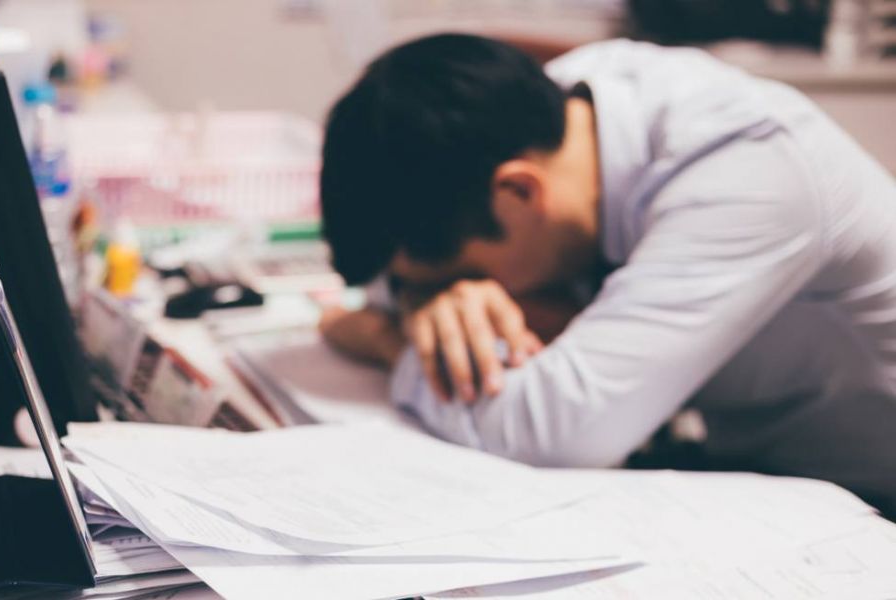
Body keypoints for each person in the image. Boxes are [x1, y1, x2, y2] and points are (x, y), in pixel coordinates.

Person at [317, 33, 896, 515]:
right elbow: (386, 275)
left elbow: (556, 433)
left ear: (519, 191)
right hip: (744, 466)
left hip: (865, 501)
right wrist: (429, 298)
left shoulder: (747, 171)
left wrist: (389, 340)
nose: (462, 292)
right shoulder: (558, 114)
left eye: (461, 272)